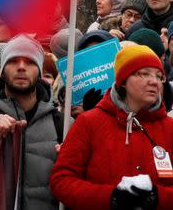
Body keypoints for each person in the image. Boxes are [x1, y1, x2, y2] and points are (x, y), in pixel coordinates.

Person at [51, 45, 173, 209]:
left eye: (159, 76)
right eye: (144, 74)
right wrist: (111, 198)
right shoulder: (89, 122)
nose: (154, 81)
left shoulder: (169, 127)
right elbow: (62, 180)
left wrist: (158, 197)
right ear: (123, 81)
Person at [0, 35, 62, 210]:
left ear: (40, 71)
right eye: (13, 61)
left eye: (30, 62)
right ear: (1, 70)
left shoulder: (64, 125)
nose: (22, 67)